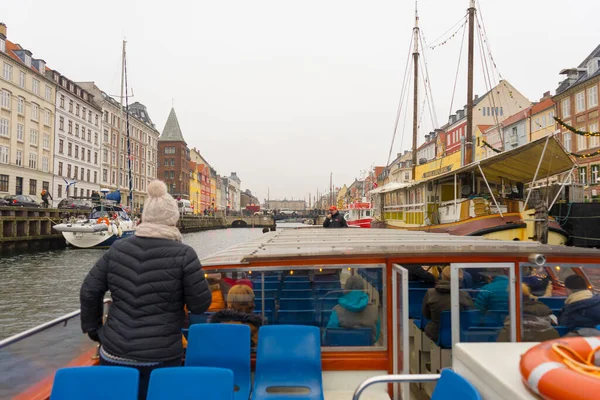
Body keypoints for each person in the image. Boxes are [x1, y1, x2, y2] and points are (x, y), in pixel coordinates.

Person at [79, 180, 212, 400]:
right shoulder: (184, 255)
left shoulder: (118, 249)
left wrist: (95, 330)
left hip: (113, 351)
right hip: (160, 355)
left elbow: (89, 291)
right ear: (173, 219)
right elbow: (200, 304)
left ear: (145, 216)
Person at [422, 266, 474, 342]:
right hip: (459, 335)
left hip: (435, 333)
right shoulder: (465, 295)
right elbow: (470, 317)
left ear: (442, 276)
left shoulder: (430, 293)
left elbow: (426, 315)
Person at [327, 276, 380, 344]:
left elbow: (330, 334)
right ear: (363, 289)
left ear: (346, 289)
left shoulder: (337, 310)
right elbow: (376, 336)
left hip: (342, 352)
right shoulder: (374, 310)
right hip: (366, 352)